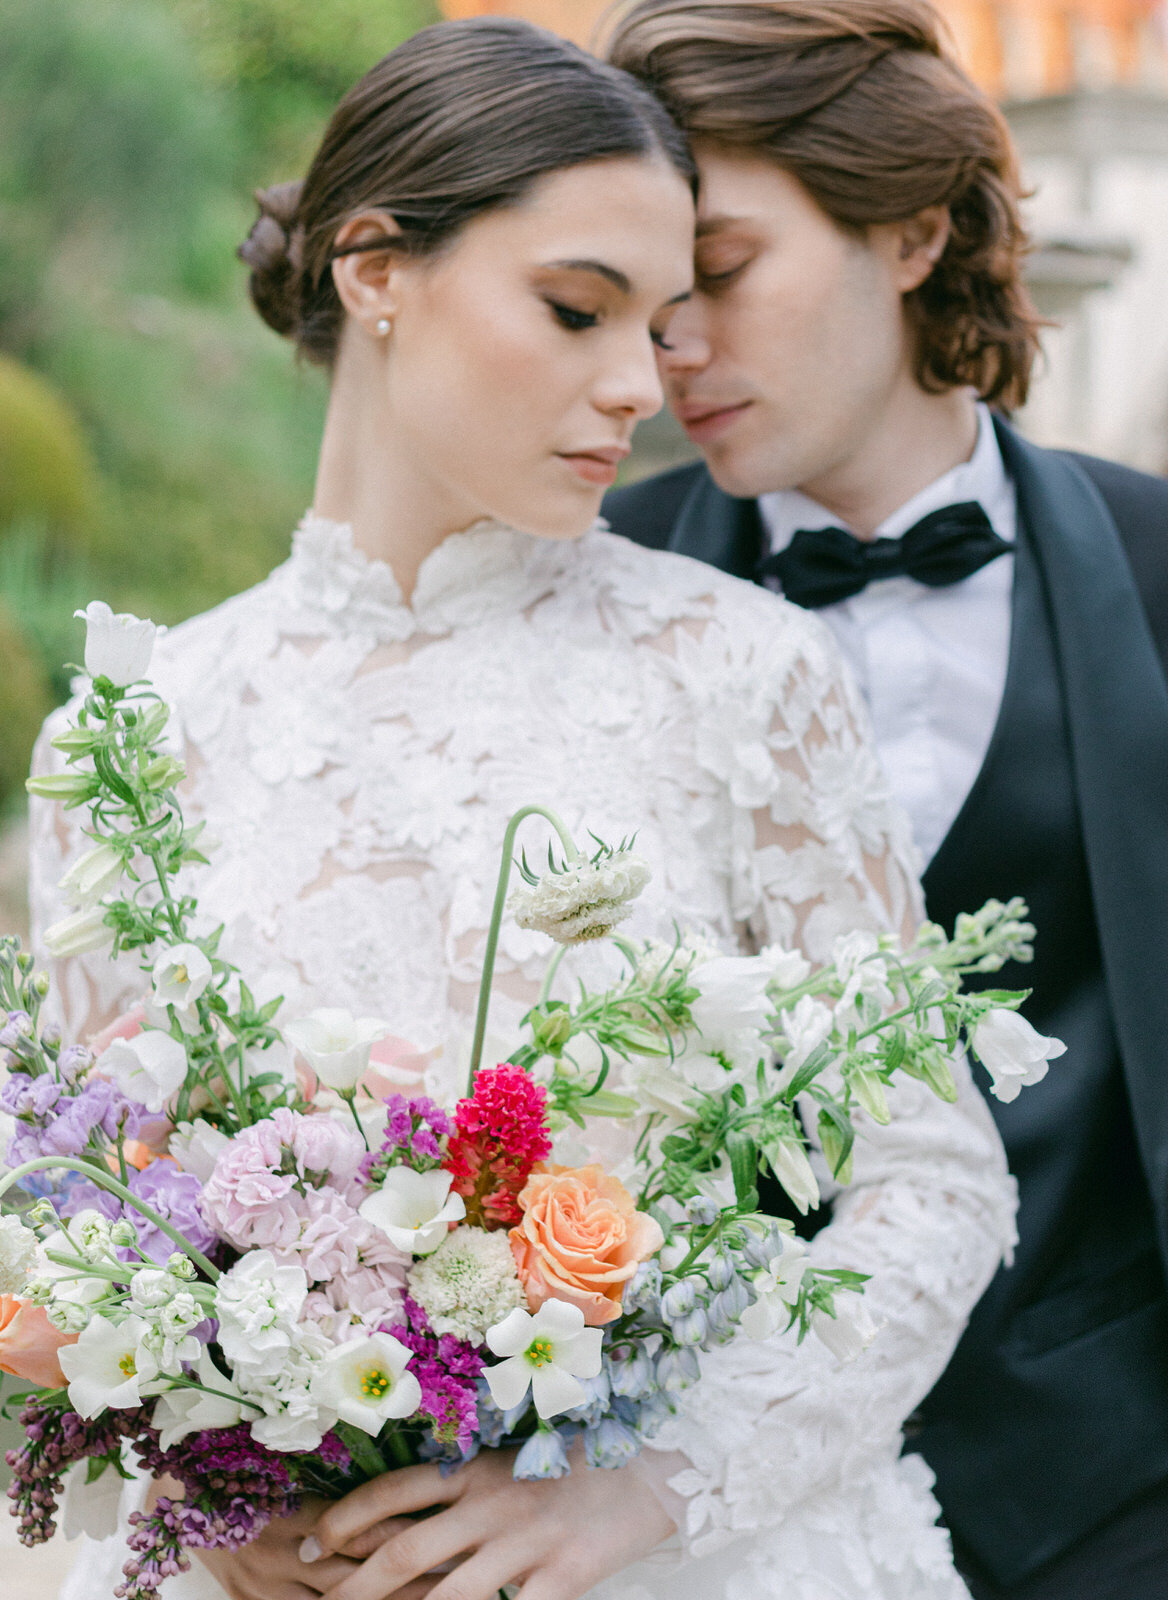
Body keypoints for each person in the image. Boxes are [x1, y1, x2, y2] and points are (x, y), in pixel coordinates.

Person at [28, 17, 1016, 1600]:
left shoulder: (746, 670)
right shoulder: (133, 734)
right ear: (376, 272)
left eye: (667, 322)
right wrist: (203, 1480)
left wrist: (637, 1492)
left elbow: (934, 1177)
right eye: (577, 310)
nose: (642, 383)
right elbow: (80, 1201)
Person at [601, 3, 1168, 1597]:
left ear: (911, 230)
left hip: (1114, 1485)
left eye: (718, 273)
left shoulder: (1159, 565)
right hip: (698, 1500)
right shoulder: (581, 598)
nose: (670, 351)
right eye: (641, 302)